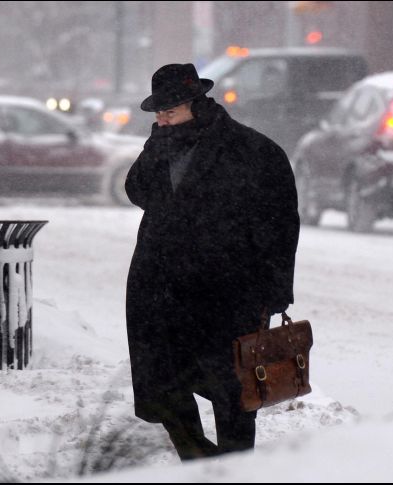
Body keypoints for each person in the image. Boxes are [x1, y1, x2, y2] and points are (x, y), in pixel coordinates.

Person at [124, 63, 300, 461]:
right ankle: (200, 464)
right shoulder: (162, 145)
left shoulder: (253, 151)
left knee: (233, 393)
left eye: (169, 111)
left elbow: (280, 224)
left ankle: (233, 469)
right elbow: (137, 191)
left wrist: (275, 291)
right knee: (165, 387)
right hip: (161, 290)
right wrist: (155, 150)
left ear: (195, 103)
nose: (162, 119)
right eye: (158, 113)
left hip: (227, 293)